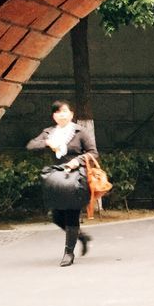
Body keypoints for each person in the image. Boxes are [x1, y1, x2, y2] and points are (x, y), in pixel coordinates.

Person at [26, 101, 97, 267]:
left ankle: (68, 253)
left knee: (72, 213)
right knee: (57, 216)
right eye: (58, 112)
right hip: (57, 177)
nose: (62, 114)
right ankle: (81, 237)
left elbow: (93, 153)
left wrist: (77, 161)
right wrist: (47, 143)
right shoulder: (49, 132)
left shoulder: (80, 132)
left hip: (76, 177)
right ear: (54, 116)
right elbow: (31, 146)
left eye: (65, 111)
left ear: (71, 114)